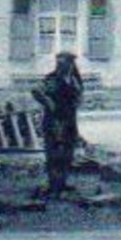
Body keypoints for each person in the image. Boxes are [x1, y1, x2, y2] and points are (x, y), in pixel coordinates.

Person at [31, 51, 83, 195]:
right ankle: (53, 184)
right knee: (54, 153)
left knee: (68, 153)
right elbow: (36, 90)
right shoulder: (52, 79)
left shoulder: (74, 79)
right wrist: (49, 102)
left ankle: (62, 183)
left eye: (67, 63)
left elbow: (79, 95)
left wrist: (77, 102)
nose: (64, 66)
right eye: (61, 63)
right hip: (55, 122)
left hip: (70, 122)